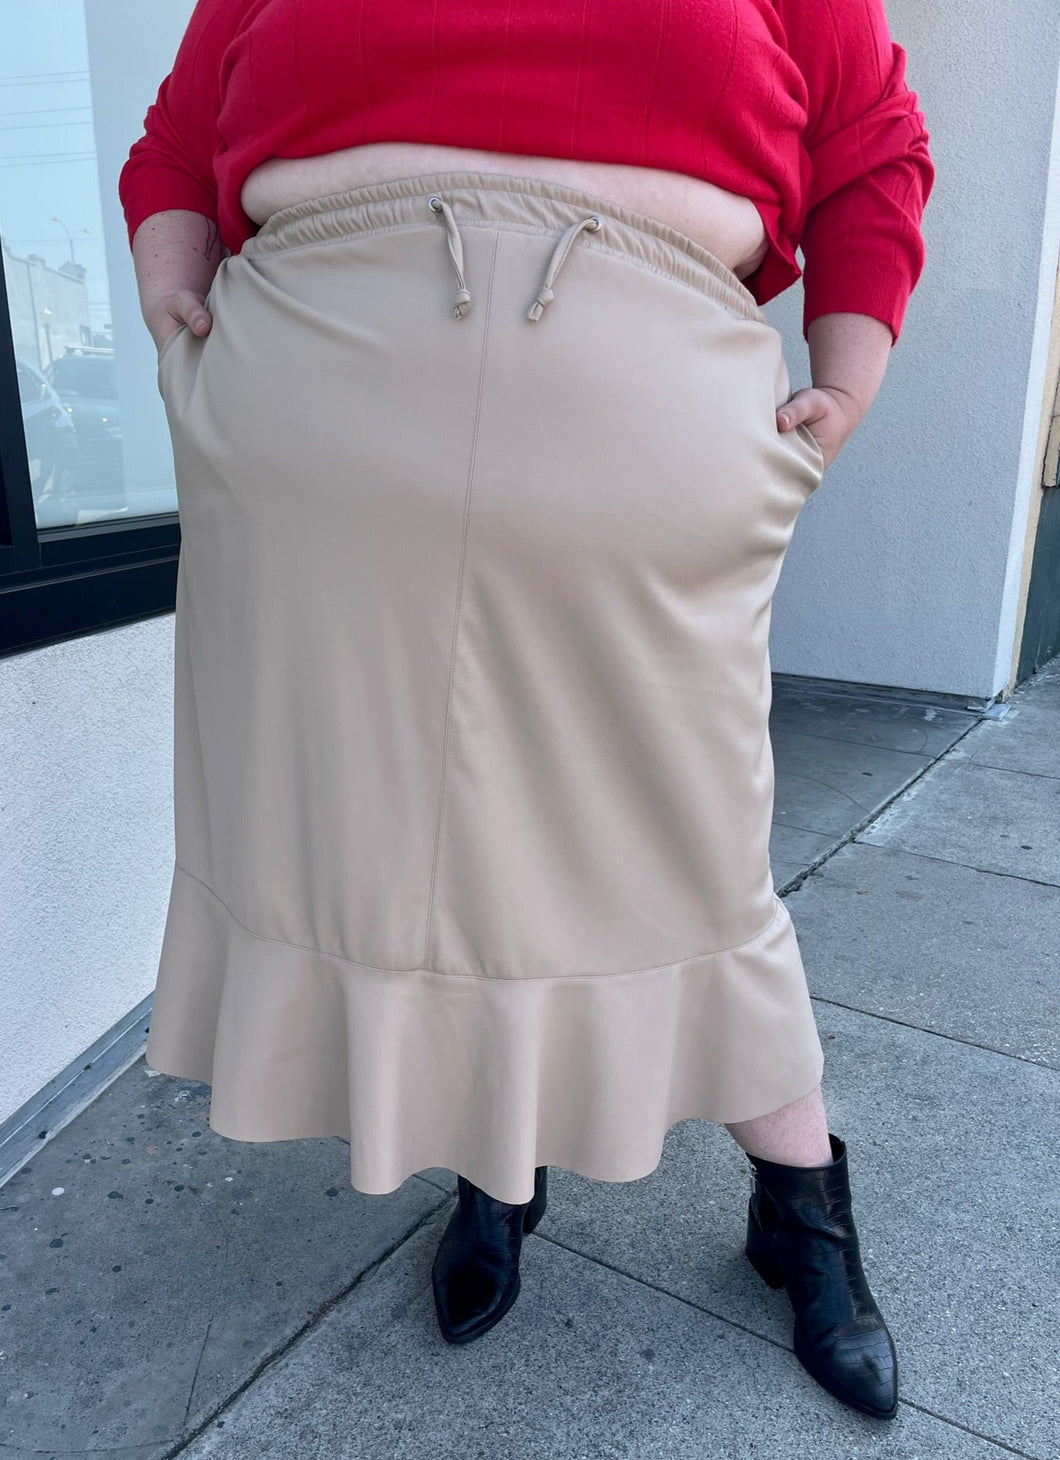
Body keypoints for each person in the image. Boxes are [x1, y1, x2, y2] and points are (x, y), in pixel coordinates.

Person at [119, 0, 934, 1422]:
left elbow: (870, 144)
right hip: (319, 441)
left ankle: (799, 1200)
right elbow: (180, 143)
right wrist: (171, 299)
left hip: (648, 452)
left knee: (687, 849)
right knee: (406, 849)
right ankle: (495, 1170)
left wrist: (850, 377)